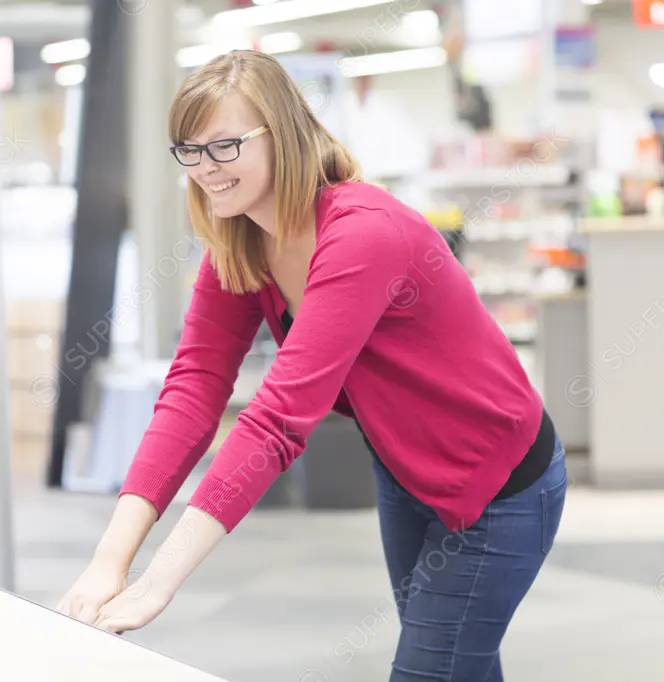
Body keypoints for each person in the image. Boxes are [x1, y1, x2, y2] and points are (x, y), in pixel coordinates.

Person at [56, 50, 567, 681]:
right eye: (188, 150)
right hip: (406, 472)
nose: (205, 169)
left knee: (432, 668)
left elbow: (277, 422)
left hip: (499, 482)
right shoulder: (239, 240)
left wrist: (159, 582)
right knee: (459, 663)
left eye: (224, 145)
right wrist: (112, 558)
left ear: (284, 134)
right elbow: (193, 389)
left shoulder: (361, 234)